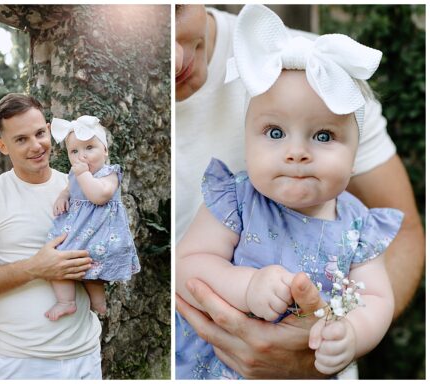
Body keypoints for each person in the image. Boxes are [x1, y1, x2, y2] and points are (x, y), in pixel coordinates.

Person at [174, 4, 424, 378]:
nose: (296, 152)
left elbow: (374, 297)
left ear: (355, 155)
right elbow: (187, 265)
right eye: (275, 133)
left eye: (323, 136)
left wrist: (352, 335)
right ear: (246, 141)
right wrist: (245, 286)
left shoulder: (359, 227)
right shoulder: (235, 200)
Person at [0, 93, 100, 379]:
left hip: (84, 356)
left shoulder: (81, 187)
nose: (36, 146)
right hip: (20, 362)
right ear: (2, 145)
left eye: (40, 133)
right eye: (21, 139)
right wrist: (36, 268)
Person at [43, 115, 139, 320]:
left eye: (89, 148)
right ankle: (66, 301)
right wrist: (63, 195)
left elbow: (99, 196)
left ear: (105, 150)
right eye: (74, 151)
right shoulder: (75, 174)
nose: (81, 156)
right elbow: (71, 188)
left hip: (101, 233)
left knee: (91, 268)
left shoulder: (109, 173)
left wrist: (83, 175)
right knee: (59, 259)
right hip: (78, 229)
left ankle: (98, 302)